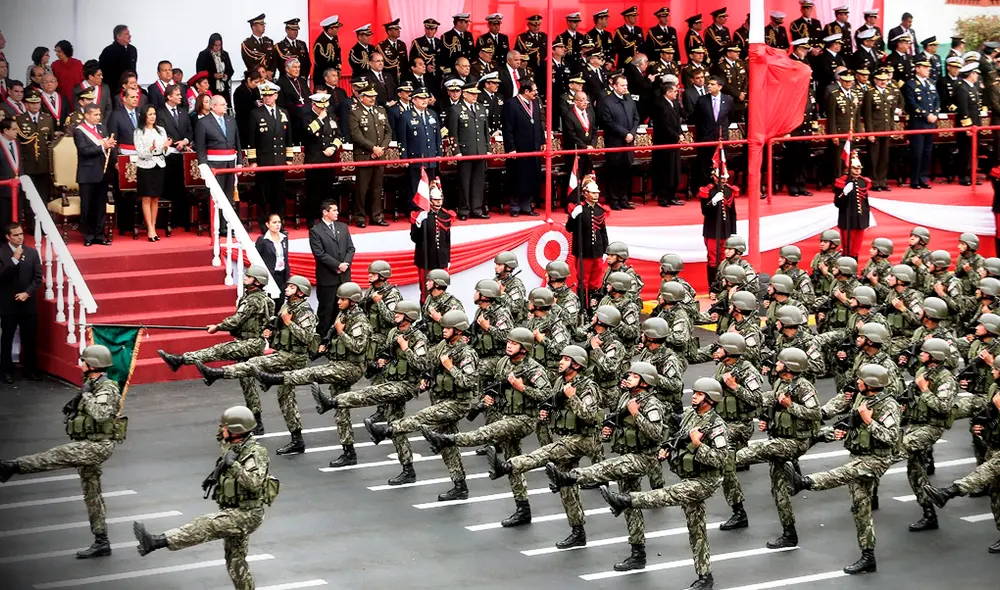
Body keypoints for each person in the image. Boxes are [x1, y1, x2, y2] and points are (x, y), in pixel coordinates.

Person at [133, 406, 277, 590]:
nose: (221, 430)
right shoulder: (232, 444)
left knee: (206, 524)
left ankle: (156, 541)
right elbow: (221, 439)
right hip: (234, 509)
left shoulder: (256, 453)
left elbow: (254, 483)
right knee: (235, 561)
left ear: (235, 431)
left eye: (225, 427)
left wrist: (232, 465)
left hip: (247, 514)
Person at [0, 345, 123, 558]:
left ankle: (13, 466)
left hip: (97, 446)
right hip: (88, 442)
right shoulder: (91, 385)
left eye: (84, 361)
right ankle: (101, 541)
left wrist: (85, 396)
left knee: (59, 455)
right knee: (92, 494)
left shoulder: (107, 388)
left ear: (92, 365)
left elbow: (101, 414)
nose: (81, 363)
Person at [545, 362, 668, 573]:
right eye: (628, 374)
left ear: (645, 382)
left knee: (605, 468)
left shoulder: (652, 404)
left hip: (643, 458)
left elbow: (656, 434)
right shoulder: (625, 397)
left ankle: (571, 478)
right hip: (626, 453)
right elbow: (620, 420)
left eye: (634, 376)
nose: (628, 378)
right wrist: (611, 428)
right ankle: (638, 553)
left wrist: (636, 414)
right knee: (630, 504)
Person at [422, 328, 550, 526]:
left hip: (525, 419)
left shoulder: (534, 370)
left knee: (485, 433)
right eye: (508, 342)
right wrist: (493, 399)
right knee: (513, 463)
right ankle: (523, 509)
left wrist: (522, 388)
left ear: (524, 349)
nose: (509, 345)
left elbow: (547, 396)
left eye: (514, 343)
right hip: (508, 415)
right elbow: (500, 391)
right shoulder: (503, 363)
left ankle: (446, 439)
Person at [786, 364, 901, 575]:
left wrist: (868, 420)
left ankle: (806, 482)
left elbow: (891, 438)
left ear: (871, 384)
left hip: (876, 459)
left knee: (844, 473)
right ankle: (868, 556)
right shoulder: (862, 398)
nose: (857, 382)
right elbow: (852, 422)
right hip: (859, 454)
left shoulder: (888, 406)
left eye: (861, 380)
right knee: (860, 507)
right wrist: (837, 432)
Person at [197, 276, 316, 455]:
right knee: (286, 399)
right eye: (288, 285)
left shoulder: (305, 311)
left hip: (294, 357)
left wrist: (288, 322)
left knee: (253, 363)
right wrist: (272, 328)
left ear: (301, 292)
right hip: (282, 353)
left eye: (292, 287)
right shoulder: (287, 306)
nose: (287, 289)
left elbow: (307, 337)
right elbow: (278, 322)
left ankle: (218, 374)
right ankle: (297, 440)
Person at [266, 282, 371, 469]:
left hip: (352, 367)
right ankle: (349, 452)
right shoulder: (344, 314)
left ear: (353, 301)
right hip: (339, 363)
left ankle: (276, 379)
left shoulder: (360, 321)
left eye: (343, 299)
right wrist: (327, 343)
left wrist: (340, 331)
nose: (338, 302)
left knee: (314, 373)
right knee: (341, 408)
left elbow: (358, 347)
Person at [157, 267, 274, 431]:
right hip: (251, 340)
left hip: (250, 342)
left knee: (218, 351)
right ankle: (257, 421)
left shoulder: (253, 300)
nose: (245, 278)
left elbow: (237, 320)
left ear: (257, 281)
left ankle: (181, 360)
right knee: (247, 382)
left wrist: (218, 326)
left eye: (249, 276)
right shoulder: (257, 298)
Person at [0, 222, 41, 382]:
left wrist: (27, 293)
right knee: (7, 338)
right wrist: (14, 260)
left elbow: (37, 278)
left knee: (30, 338)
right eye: (16, 235)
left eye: (21, 234)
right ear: (8, 237)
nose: (20, 237)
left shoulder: (32, 253)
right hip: (8, 304)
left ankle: (31, 369)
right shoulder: (2, 253)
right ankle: (6, 371)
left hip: (28, 304)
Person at [246, 81, 291, 229]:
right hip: (264, 161)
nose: (267, 98)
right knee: (264, 195)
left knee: (279, 195)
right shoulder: (255, 114)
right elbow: (251, 140)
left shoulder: (283, 113)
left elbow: (289, 139)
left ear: (276, 96)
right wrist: (253, 161)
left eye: (270, 95)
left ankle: (279, 223)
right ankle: (264, 223)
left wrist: (289, 159)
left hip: (279, 161)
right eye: (264, 95)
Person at [349, 85, 391, 227]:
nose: (373, 98)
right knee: (362, 189)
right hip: (364, 156)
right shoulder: (355, 112)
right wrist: (373, 148)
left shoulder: (380, 110)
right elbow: (356, 135)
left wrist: (381, 148)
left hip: (379, 155)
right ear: (361, 97)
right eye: (369, 96)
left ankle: (376, 216)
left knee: (377, 188)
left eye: (374, 96)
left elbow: (388, 132)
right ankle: (360, 217)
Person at [310, 200, 354, 336]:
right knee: (326, 311)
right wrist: (337, 265)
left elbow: (350, 248)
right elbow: (320, 254)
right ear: (325, 212)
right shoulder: (315, 231)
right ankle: (322, 340)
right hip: (328, 279)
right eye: (334, 210)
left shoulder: (343, 227)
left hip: (344, 277)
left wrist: (345, 263)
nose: (337, 212)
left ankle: (339, 338)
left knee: (343, 312)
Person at [74, 104, 115, 246]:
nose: (99, 117)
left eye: (99, 114)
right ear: (86, 115)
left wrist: (110, 146)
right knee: (87, 207)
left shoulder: (102, 128)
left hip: (102, 173)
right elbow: (84, 150)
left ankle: (99, 234)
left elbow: (106, 148)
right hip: (87, 174)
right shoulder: (79, 131)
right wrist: (103, 145)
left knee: (100, 206)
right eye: (95, 115)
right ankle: (88, 235)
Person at [195, 95, 240, 227]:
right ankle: (217, 226)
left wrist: (240, 162)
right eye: (222, 104)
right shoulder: (203, 122)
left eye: (225, 104)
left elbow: (237, 142)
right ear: (213, 106)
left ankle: (228, 225)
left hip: (230, 164)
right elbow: (200, 147)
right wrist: (204, 167)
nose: (226, 106)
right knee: (217, 197)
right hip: (214, 166)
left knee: (228, 196)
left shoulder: (231, 120)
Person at [566, 176, 609, 308]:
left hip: (597, 251)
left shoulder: (599, 210)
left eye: (597, 193)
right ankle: (582, 308)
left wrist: (605, 250)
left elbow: (603, 232)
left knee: (596, 282)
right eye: (593, 193)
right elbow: (569, 228)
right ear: (585, 194)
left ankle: (593, 307)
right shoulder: (579, 209)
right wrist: (573, 216)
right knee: (583, 282)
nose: (596, 195)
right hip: (584, 251)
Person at [598, 74, 639, 210]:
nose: (625, 88)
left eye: (626, 85)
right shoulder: (607, 101)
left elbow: (636, 118)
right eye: (622, 85)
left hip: (629, 141)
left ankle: (624, 198)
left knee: (626, 171)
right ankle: (614, 199)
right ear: (614, 86)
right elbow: (608, 122)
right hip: (615, 141)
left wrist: (632, 133)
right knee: (614, 171)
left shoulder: (629, 100)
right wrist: (624, 133)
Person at [448, 82, 488, 219]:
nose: (475, 96)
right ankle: (464, 210)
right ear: (464, 94)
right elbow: (453, 133)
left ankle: (477, 209)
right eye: (472, 93)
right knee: (464, 182)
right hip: (465, 151)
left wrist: (487, 148)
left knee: (478, 181)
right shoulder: (456, 110)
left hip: (480, 150)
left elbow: (485, 131)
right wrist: (456, 151)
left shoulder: (481, 108)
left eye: (476, 94)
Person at [398, 88, 442, 213]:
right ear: (414, 100)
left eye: (426, 98)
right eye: (421, 98)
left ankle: (430, 208)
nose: (425, 101)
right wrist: (404, 157)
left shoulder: (432, 114)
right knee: (415, 185)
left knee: (431, 184)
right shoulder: (405, 116)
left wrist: (439, 154)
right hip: (415, 157)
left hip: (431, 156)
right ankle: (415, 210)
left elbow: (437, 136)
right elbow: (402, 139)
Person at [410, 184, 454, 299]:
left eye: (440, 200)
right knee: (426, 292)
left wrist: (448, 259)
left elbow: (447, 240)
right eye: (435, 200)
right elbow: (415, 238)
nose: (438, 203)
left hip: (441, 260)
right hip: (426, 259)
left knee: (441, 290)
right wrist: (418, 224)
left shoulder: (445, 216)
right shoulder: (421, 216)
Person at [133, 104, 169, 240]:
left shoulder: (161, 130)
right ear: (144, 116)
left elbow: (166, 152)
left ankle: (154, 226)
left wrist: (165, 147)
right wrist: (151, 149)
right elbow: (140, 152)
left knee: (155, 197)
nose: (153, 117)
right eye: (150, 114)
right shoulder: (138, 132)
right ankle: (150, 228)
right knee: (146, 197)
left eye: (154, 114)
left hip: (159, 165)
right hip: (145, 166)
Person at [903, 59, 941, 190]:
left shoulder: (931, 83)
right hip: (918, 122)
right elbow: (911, 103)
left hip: (930, 123)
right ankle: (915, 179)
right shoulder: (911, 84)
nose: (928, 70)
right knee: (917, 152)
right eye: (925, 67)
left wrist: (935, 113)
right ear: (918, 68)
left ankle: (923, 178)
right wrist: (926, 115)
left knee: (927, 152)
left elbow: (936, 99)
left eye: (928, 68)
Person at [692, 76, 732, 192]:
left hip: (721, 137)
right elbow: (697, 118)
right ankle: (707, 189)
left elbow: (729, 117)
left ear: (719, 87)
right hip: (705, 137)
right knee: (705, 164)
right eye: (708, 84)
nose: (709, 86)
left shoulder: (728, 100)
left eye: (712, 84)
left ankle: (720, 187)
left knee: (720, 163)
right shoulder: (702, 100)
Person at [862, 70, 901, 192]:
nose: (883, 82)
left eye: (885, 79)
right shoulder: (870, 93)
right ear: (875, 80)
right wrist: (870, 132)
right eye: (880, 80)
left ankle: (883, 181)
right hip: (875, 129)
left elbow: (890, 114)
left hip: (886, 129)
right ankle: (874, 181)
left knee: (885, 157)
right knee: (874, 157)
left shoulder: (890, 92)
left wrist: (892, 129)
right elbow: (867, 115)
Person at [16, 90, 55, 204]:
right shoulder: (20, 119)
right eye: (32, 103)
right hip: (28, 163)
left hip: (44, 163)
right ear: (26, 105)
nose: (35, 105)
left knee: (43, 195)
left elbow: (51, 141)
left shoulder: (47, 119)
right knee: (29, 196)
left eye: (37, 103)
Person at [649, 80, 684, 206]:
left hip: (674, 142)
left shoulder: (674, 103)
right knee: (665, 170)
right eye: (675, 91)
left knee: (674, 170)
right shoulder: (660, 105)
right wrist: (675, 136)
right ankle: (663, 197)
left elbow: (677, 121)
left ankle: (672, 194)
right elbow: (663, 125)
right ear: (668, 92)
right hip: (664, 142)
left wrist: (680, 133)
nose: (677, 93)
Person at [561, 90, 597, 203]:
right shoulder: (569, 115)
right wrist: (584, 147)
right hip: (575, 151)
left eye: (586, 99)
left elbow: (594, 131)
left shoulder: (590, 112)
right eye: (582, 100)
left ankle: (586, 200)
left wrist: (592, 145)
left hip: (588, 152)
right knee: (574, 178)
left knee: (587, 176)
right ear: (575, 101)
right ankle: (572, 203)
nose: (585, 102)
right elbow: (570, 135)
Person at [834, 151, 871, 260]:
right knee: (847, 247)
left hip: (860, 220)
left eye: (859, 169)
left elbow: (865, 202)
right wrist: (844, 193)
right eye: (855, 168)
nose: (858, 171)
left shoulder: (863, 182)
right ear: (849, 169)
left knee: (856, 248)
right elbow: (838, 203)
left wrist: (866, 218)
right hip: (848, 219)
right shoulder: (842, 182)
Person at [955, 62, 982, 186]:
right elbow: (963, 109)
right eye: (975, 73)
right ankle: (963, 175)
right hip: (968, 125)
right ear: (971, 74)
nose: (977, 76)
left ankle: (972, 174)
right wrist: (967, 126)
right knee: (965, 151)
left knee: (973, 151)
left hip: (975, 123)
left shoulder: (972, 87)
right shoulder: (962, 88)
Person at [98, 25, 137, 101]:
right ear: (118, 36)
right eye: (126, 34)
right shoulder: (109, 51)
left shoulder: (132, 50)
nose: (129, 36)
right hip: (114, 91)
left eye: (129, 33)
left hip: (130, 89)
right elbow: (104, 72)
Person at [196, 34, 235, 101]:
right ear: (211, 44)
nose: (217, 47)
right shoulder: (203, 55)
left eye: (219, 45)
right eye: (215, 45)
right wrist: (213, 75)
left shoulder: (225, 54)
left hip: (223, 88)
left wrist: (226, 75)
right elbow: (200, 72)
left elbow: (230, 70)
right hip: (210, 88)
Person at [313, 15, 343, 81]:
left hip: (333, 75)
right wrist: (330, 73)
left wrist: (338, 68)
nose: (338, 29)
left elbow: (337, 53)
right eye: (336, 28)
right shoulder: (320, 42)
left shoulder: (335, 38)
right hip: (322, 77)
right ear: (329, 30)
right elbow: (320, 63)